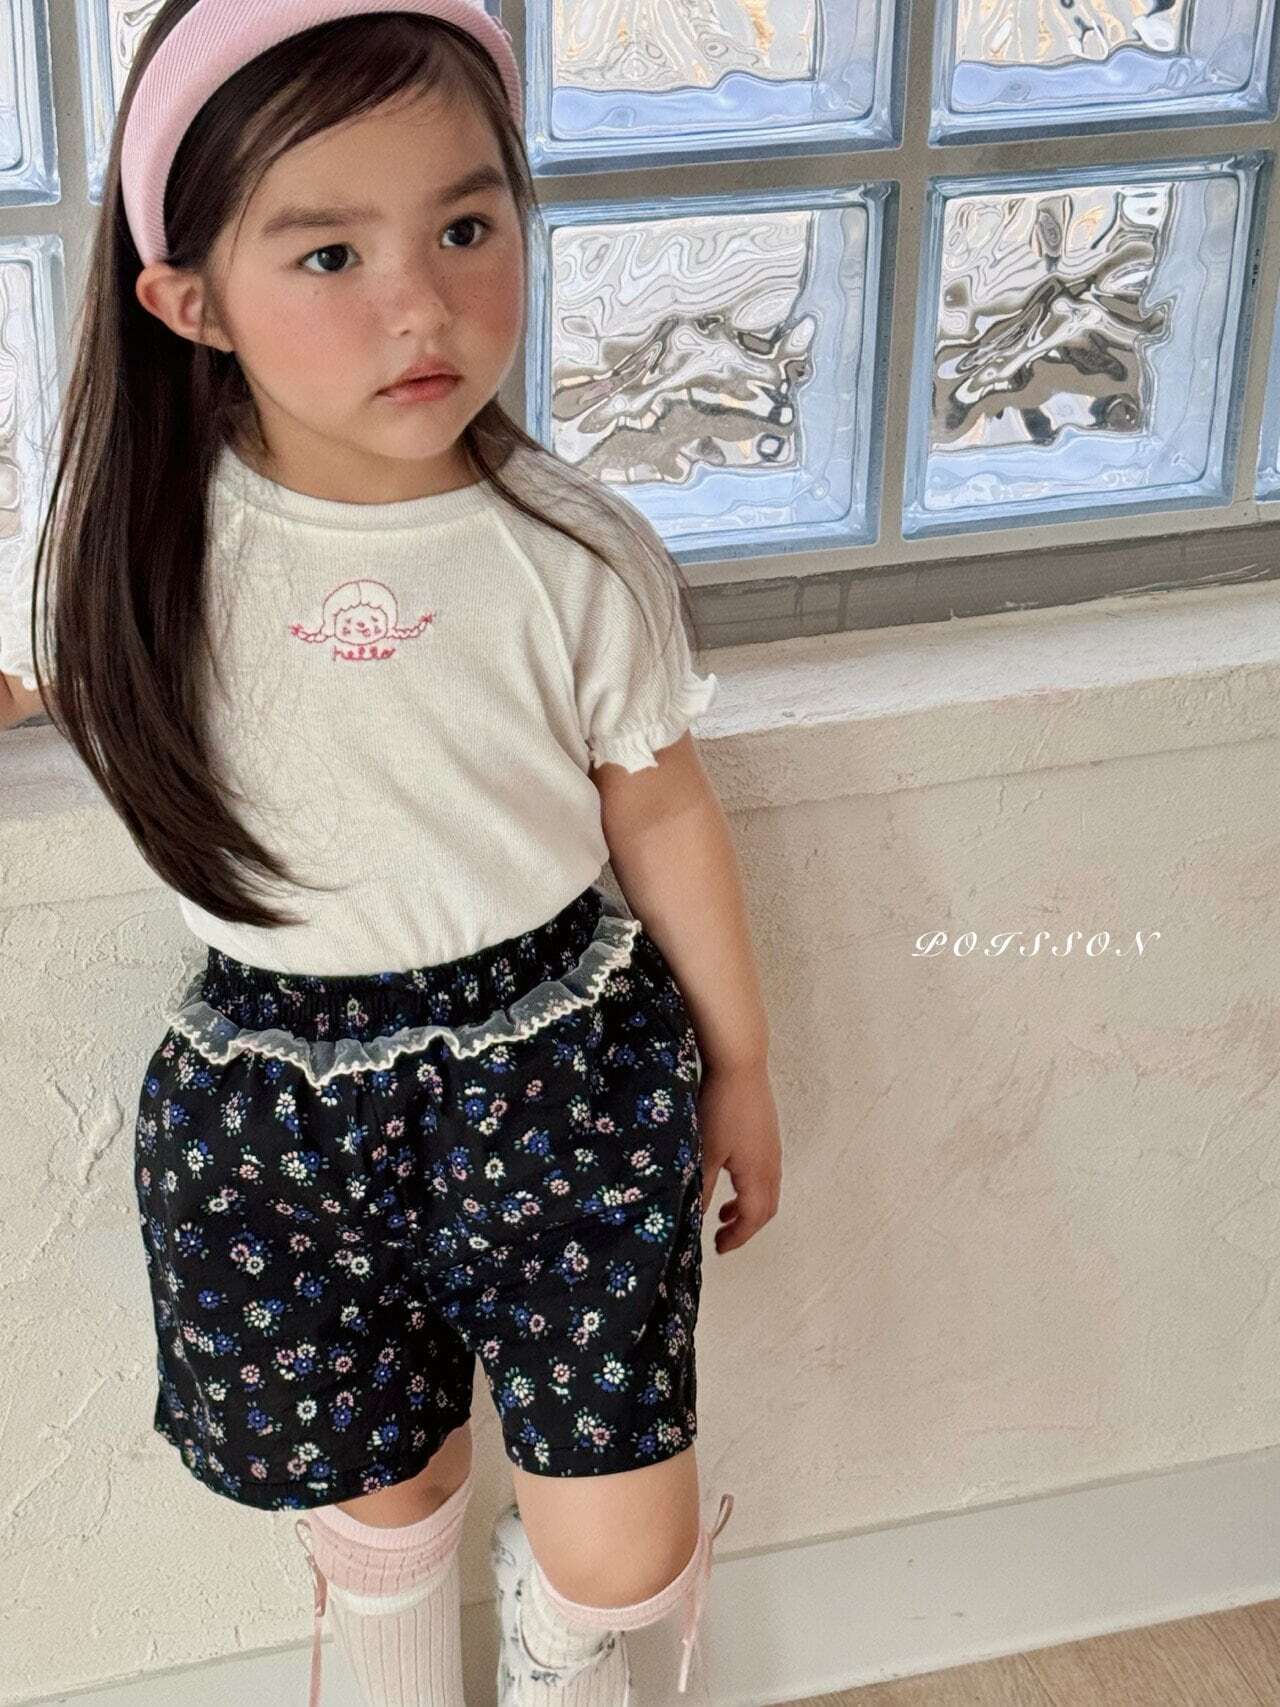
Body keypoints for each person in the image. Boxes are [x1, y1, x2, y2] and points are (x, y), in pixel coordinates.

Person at [0, 3, 783, 1704]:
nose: (420, 305)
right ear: (191, 303)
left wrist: (741, 1061)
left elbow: (658, 803)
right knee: (382, 1501)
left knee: (619, 1542)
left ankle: (568, 1662)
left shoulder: (574, 552)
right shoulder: (137, 548)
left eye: (466, 228)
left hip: (567, 1077)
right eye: (331, 253)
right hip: (272, 1110)